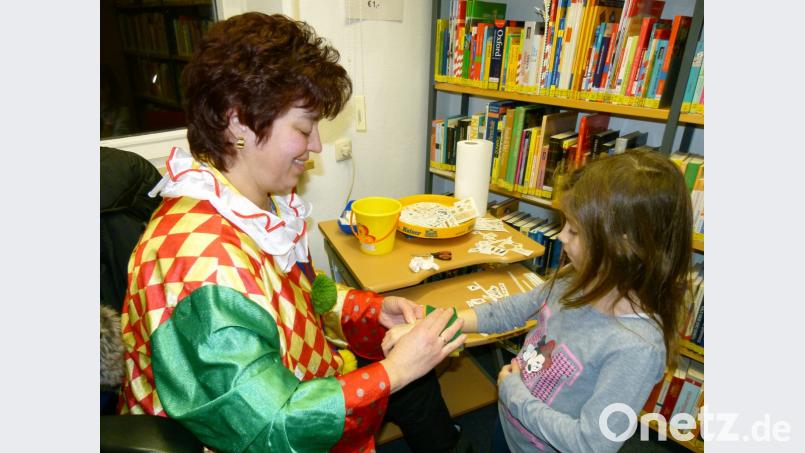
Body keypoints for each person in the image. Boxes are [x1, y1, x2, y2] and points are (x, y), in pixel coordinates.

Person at [118, 12, 468, 453]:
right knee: (405, 379)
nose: (317, 145)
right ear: (237, 121)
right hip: (250, 435)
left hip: (295, 386)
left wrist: (369, 312)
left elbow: (300, 298)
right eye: (303, 128)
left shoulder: (258, 205)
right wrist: (394, 371)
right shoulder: (200, 267)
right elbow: (265, 428)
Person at [385, 150, 693, 452]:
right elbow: (509, 310)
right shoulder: (579, 277)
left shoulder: (637, 349)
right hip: (510, 425)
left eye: (574, 230)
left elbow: (591, 444)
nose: (560, 237)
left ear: (621, 245)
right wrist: (430, 322)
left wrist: (514, 393)